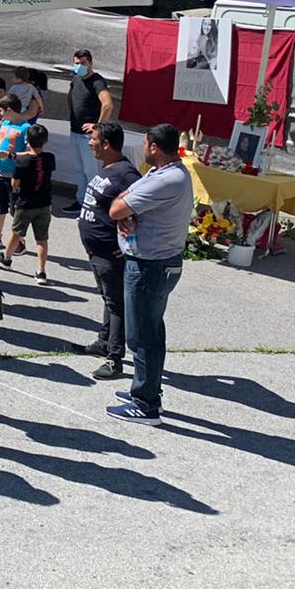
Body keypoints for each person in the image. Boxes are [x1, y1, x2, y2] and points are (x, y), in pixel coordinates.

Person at [107, 124, 194, 425]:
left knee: (141, 336)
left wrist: (127, 210)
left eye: (145, 143)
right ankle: (147, 389)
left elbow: (116, 207)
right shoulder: (162, 173)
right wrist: (130, 209)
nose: (143, 148)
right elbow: (126, 198)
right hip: (155, 264)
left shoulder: (166, 179)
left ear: (154, 146)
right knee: (151, 332)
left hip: (150, 267)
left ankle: (146, 405)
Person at [76, 121, 140, 381]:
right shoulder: (108, 168)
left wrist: (129, 246)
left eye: (94, 139)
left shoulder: (127, 175)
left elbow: (143, 211)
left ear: (106, 144)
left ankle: (114, 359)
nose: (90, 143)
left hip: (109, 253)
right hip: (96, 250)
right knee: (108, 298)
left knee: (116, 303)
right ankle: (104, 341)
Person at [64, 49, 116, 213]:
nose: (79, 66)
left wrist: (97, 127)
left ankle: (93, 205)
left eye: (83, 63)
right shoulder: (75, 79)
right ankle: (81, 201)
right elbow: (70, 97)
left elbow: (107, 104)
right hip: (75, 132)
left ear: (90, 63)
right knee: (79, 170)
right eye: (76, 63)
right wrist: (74, 115)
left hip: (89, 137)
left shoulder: (97, 81)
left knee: (91, 172)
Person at [3, 123, 55, 285]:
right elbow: (38, 159)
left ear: (27, 140)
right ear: (45, 141)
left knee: (16, 232)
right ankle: (41, 271)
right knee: (42, 239)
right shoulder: (50, 158)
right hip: (44, 203)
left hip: (25, 203)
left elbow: (14, 183)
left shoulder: (22, 162)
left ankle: (7, 259)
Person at [0, 96, 30, 247]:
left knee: (15, 210)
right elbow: (1, 141)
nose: (0, 113)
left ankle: (19, 241)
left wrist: (9, 155)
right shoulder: (5, 123)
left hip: (14, 175)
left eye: (2, 110)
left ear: (9, 110)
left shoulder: (25, 128)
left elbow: (30, 153)